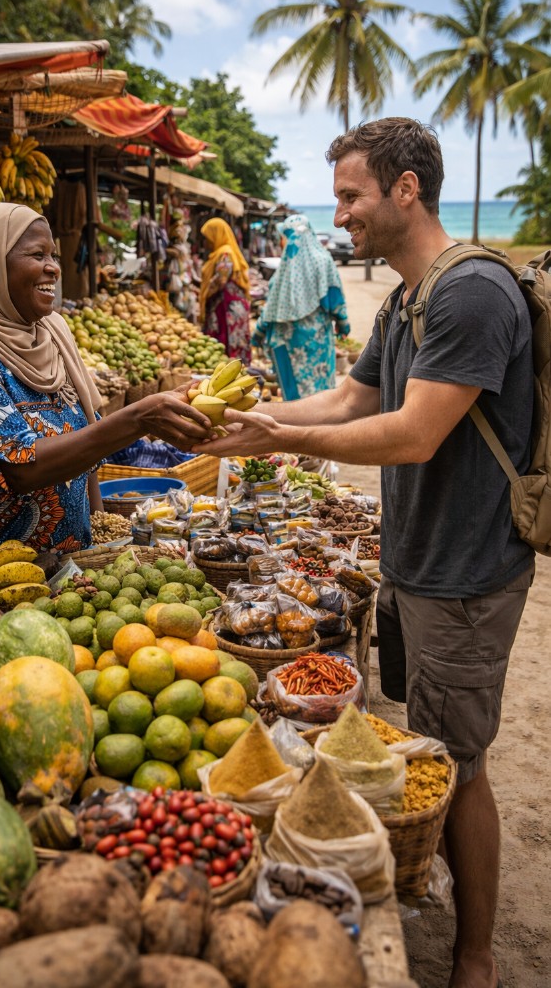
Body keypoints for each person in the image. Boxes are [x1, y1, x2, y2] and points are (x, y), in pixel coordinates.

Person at [197, 117, 534, 988]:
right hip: (418, 563)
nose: (340, 214)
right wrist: (260, 426)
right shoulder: (409, 297)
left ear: (406, 189)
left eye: (351, 196)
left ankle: (476, 957)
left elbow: (415, 434)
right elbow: (351, 398)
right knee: (429, 743)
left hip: (466, 573)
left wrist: (277, 443)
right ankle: (438, 905)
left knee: (460, 762)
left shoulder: (470, 295)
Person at [0, 202, 209, 592]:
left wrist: (96, 536)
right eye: (37, 255)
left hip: (59, 572)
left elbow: (86, 435)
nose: (54, 268)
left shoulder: (52, 332)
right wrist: (136, 419)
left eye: (54, 256)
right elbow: (21, 467)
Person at [252, 213, 350, 399]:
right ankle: (319, 423)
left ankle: (295, 424)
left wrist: (258, 333)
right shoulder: (323, 260)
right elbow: (335, 297)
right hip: (316, 341)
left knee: (293, 390)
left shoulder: (285, 267)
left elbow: (271, 307)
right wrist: (343, 323)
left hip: (286, 340)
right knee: (319, 388)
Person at [199, 217, 251, 365]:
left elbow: (221, 279)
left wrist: (205, 292)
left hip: (227, 310)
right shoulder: (221, 253)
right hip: (225, 306)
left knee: (227, 354)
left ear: (216, 235)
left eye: (207, 238)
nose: (205, 242)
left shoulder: (225, 253)